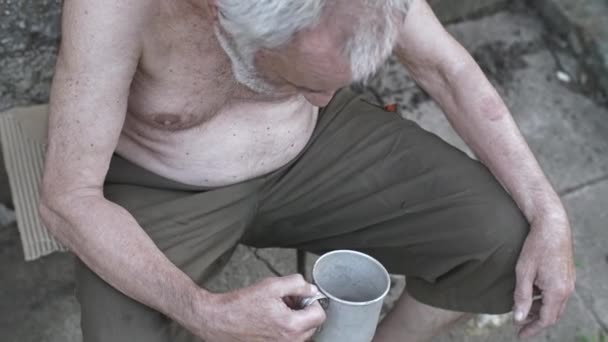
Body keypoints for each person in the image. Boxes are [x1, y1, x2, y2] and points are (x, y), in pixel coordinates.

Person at [39, 0, 575, 341]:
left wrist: (550, 212)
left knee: (504, 242)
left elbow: (448, 69)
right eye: (300, 80)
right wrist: (204, 312)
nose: (325, 97)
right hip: (164, 183)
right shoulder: (113, 8)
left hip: (316, 152)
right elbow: (67, 199)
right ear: (224, 17)